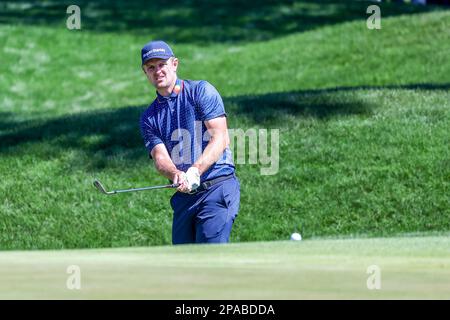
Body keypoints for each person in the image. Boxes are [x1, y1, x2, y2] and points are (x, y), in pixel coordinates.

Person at [139, 40, 240, 244]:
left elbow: (220, 137)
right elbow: (160, 157)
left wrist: (195, 170)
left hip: (216, 187)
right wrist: (175, 174)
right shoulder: (149, 117)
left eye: (162, 64)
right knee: (184, 264)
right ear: (145, 72)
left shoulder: (201, 91)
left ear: (174, 64)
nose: (157, 71)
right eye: (151, 67)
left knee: (211, 258)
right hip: (185, 198)